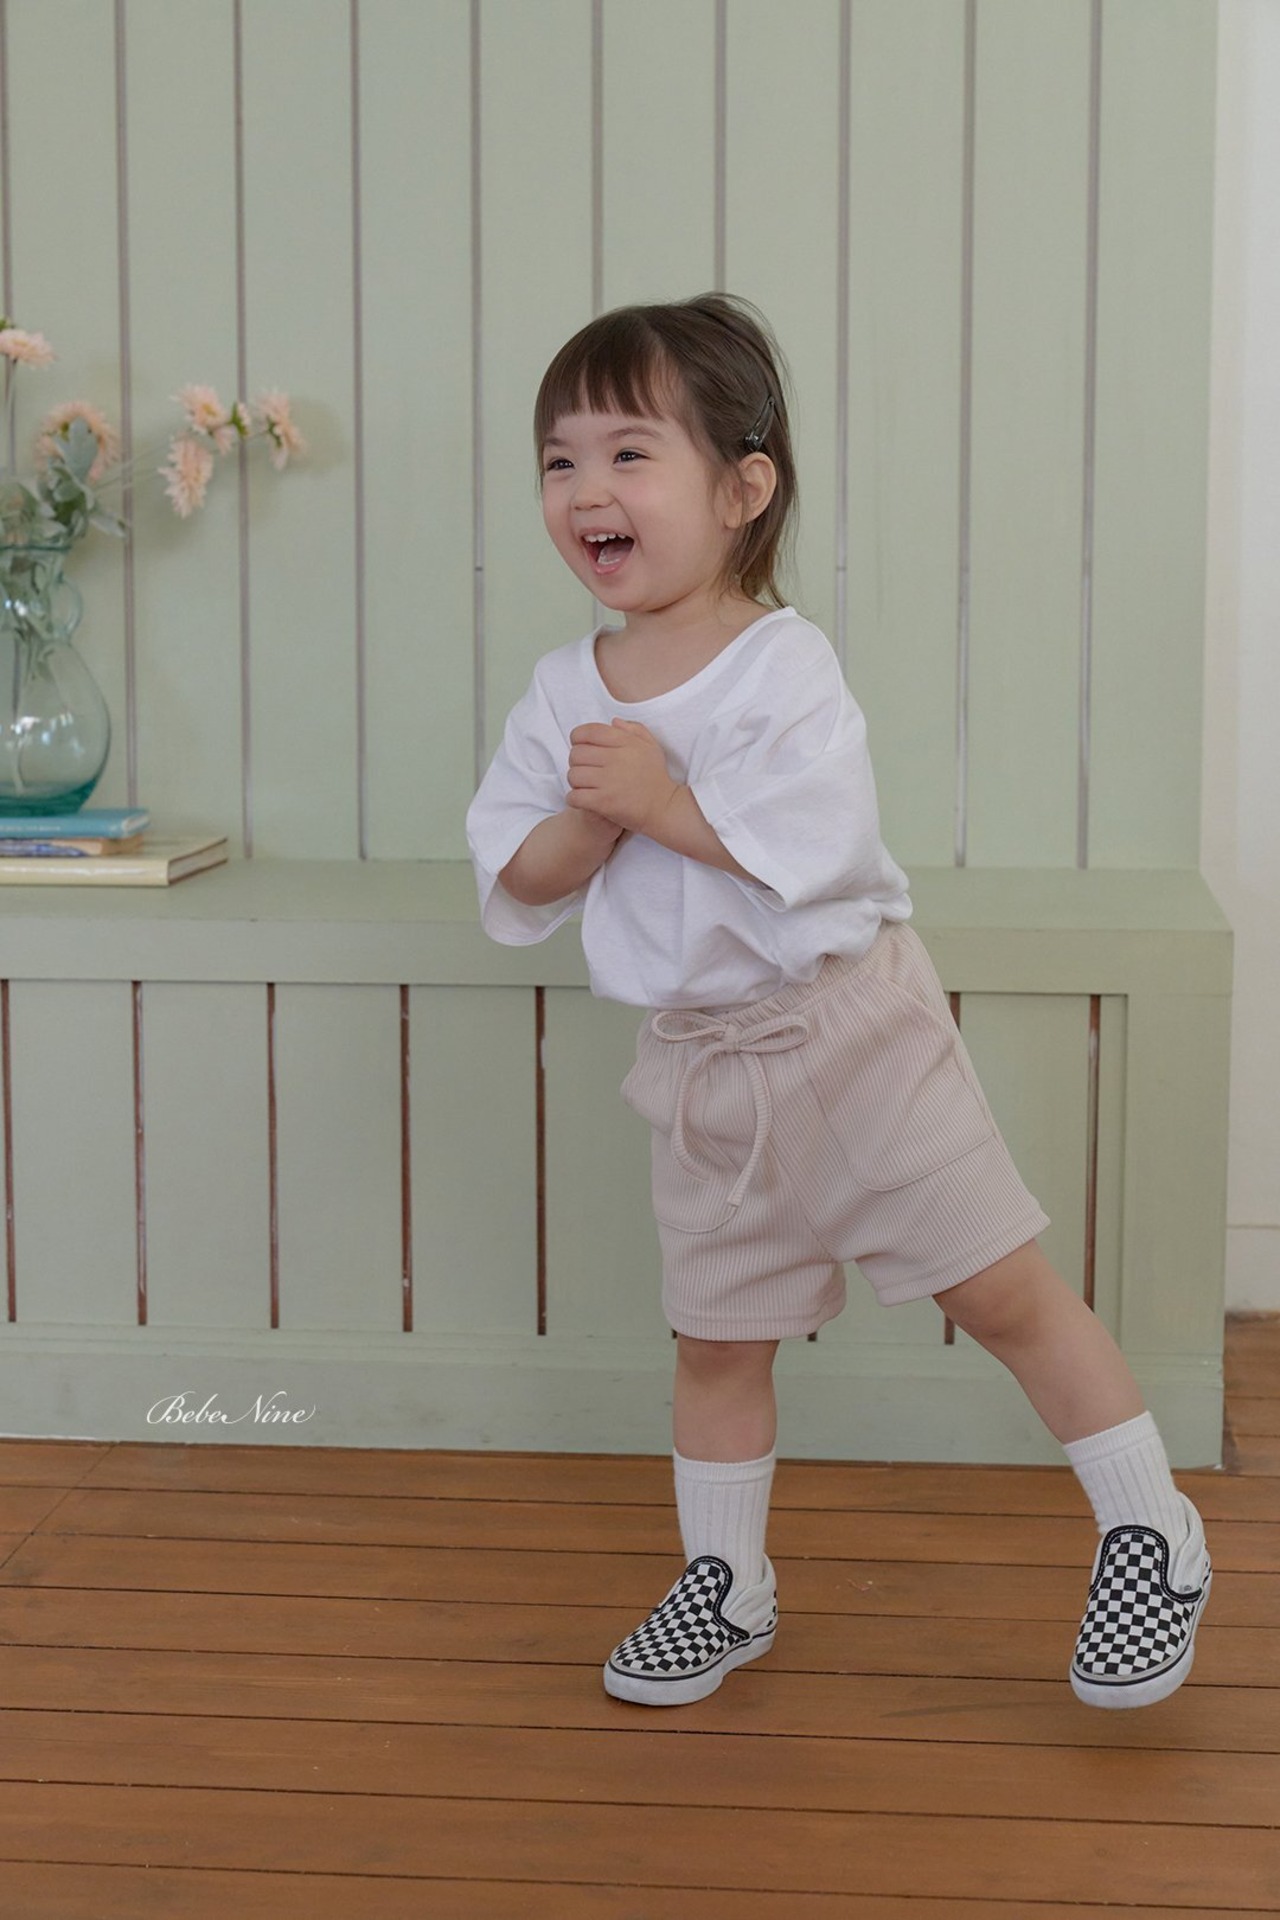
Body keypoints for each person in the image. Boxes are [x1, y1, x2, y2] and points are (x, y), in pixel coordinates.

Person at [465, 292, 1211, 1714]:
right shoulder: (565, 693)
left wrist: (660, 802)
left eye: (630, 454)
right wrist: (597, 813)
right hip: (705, 1069)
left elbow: (815, 852)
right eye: (560, 460)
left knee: (997, 1288)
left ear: (741, 490)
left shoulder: (783, 665)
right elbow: (520, 872)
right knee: (717, 1337)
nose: (586, 490)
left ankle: (1149, 1531)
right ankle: (726, 1581)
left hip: (852, 1035)